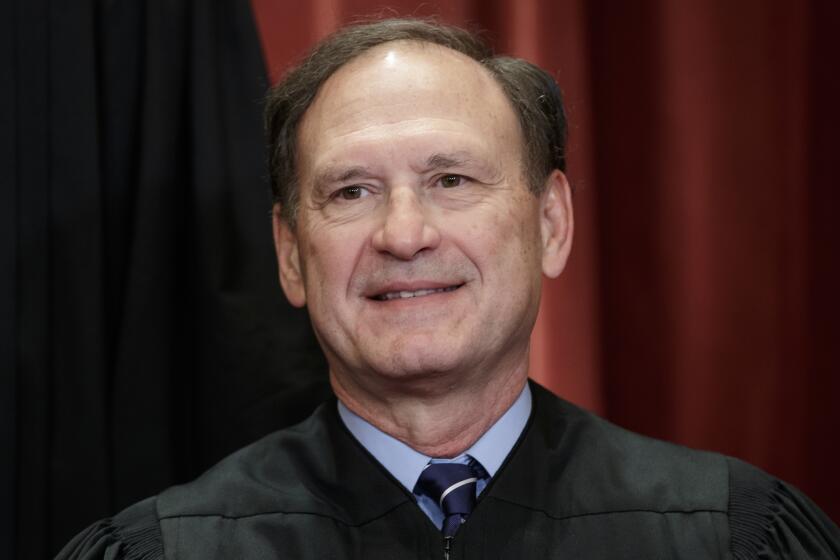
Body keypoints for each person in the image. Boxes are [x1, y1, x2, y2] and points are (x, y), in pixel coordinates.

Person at [57, 18, 839, 560]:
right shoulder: (173, 547)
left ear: (552, 224)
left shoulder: (730, 536)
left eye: (452, 179)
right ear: (291, 256)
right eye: (352, 192)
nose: (404, 234)